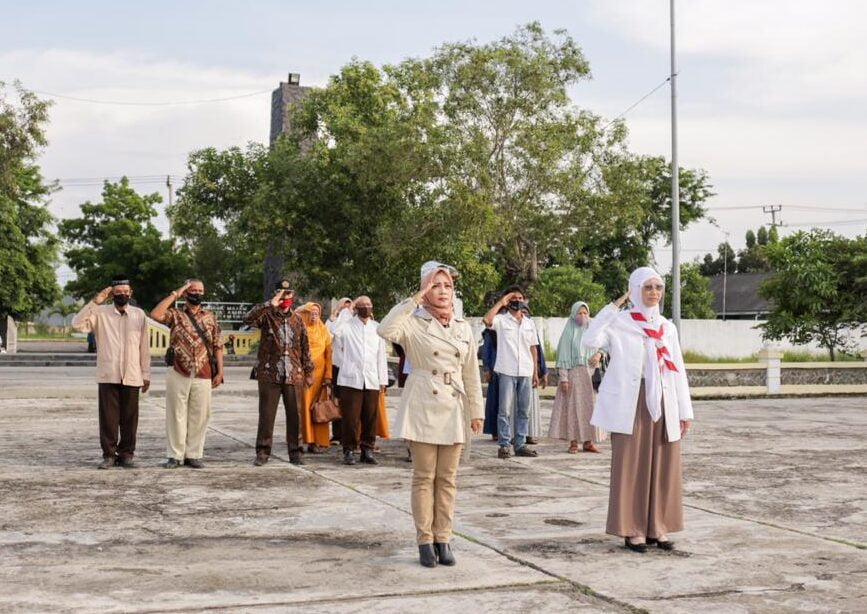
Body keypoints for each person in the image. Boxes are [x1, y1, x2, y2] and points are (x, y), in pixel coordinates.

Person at [378, 261, 484, 568]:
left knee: (448, 478)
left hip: (454, 404)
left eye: (447, 286)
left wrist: (476, 411)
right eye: (435, 285)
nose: (442, 291)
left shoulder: (463, 327)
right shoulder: (412, 322)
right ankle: (425, 540)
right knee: (424, 477)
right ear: (425, 289)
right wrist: (413, 300)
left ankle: (444, 538)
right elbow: (385, 330)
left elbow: (471, 374)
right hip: (424, 401)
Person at [582, 267, 694, 552]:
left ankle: (658, 526)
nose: (654, 293)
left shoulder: (667, 327)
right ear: (634, 290)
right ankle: (632, 529)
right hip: (631, 402)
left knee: (664, 466)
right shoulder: (621, 322)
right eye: (647, 287)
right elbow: (590, 340)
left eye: (658, 287)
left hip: (664, 401)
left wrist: (684, 410)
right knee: (631, 466)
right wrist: (614, 306)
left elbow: (677, 369)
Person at [71, 278, 150, 469]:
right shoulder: (100, 314)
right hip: (108, 374)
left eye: (125, 291)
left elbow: (144, 347)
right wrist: (95, 301)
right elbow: (76, 324)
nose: (122, 294)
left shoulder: (139, 315)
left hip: (132, 374)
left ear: (131, 293)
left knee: (130, 419)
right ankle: (108, 455)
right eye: (118, 291)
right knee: (108, 418)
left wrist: (145, 374)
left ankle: (127, 455)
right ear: (112, 294)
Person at [151, 279, 224, 469]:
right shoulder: (175, 314)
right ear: (186, 293)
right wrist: (178, 291)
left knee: (200, 414)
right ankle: (174, 455)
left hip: (204, 370)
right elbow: (156, 314)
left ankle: (194, 454)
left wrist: (220, 371)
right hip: (178, 368)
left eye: (200, 290)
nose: (197, 293)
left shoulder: (210, 317)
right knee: (176, 413)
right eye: (193, 290)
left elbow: (218, 345)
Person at [242, 281, 314, 466]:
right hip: (269, 373)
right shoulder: (266, 316)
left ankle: (296, 453)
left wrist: (308, 371)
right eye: (281, 294)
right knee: (266, 414)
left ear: (293, 296)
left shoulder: (297, 320)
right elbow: (247, 319)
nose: (285, 298)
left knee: (295, 415)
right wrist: (269, 303)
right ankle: (263, 452)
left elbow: (305, 347)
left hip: (293, 373)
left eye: (288, 294)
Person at [329, 295, 388, 465]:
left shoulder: (377, 328)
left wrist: (382, 380)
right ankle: (348, 449)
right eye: (362, 305)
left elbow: (381, 357)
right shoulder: (346, 326)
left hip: (371, 379)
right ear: (356, 308)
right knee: (350, 418)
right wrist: (348, 307)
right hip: (350, 379)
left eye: (369, 305)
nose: (366, 308)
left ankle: (367, 449)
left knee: (370, 416)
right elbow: (333, 330)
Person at [482, 286, 539, 459]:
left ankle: (520, 444)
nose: (518, 301)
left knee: (524, 410)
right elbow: (487, 319)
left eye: (521, 298)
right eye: (514, 298)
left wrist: (535, 372)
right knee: (504, 410)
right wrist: (502, 302)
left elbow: (533, 348)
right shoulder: (501, 320)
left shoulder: (529, 323)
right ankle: (504, 445)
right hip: (506, 370)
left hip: (526, 371)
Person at [548, 301, 605, 454]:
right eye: (579, 313)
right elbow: (563, 356)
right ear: (574, 314)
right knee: (572, 409)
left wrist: (599, 354)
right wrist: (564, 379)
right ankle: (573, 443)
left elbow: (604, 345)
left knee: (591, 409)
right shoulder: (569, 331)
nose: (583, 316)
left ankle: (589, 442)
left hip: (591, 375)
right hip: (574, 376)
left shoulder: (593, 330)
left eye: (585, 313)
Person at [296, 302, 333, 454]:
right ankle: (301, 440)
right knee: (302, 409)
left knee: (318, 410)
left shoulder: (323, 330)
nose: (314, 316)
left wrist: (328, 375)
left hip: (320, 377)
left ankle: (317, 441)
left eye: (317, 313)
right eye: (311, 313)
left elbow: (329, 354)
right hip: (304, 376)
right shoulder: (300, 330)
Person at [326, 297, 351, 443]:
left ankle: (351, 434)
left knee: (351, 402)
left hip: (352, 369)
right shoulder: (334, 323)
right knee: (337, 400)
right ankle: (338, 433)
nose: (346, 310)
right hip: (337, 367)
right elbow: (327, 336)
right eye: (344, 306)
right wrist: (334, 316)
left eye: (349, 306)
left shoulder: (356, 323)